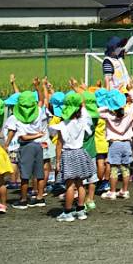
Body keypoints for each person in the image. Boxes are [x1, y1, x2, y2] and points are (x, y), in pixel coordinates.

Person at [53, 92, 96, 222]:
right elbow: (84, 110)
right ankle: (80, 210)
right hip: (80, 152)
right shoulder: (82, 121)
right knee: (80, 183)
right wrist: (81, 100)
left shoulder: (63, 124)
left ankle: (68, 212)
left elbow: (59, 144)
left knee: (70, 185)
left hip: (68, 154)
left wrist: (58, 161)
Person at [7, 89, 48, 208]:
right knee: (39, 173)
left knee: (24, 175)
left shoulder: (17, 117)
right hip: (38, 146)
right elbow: (41, 101)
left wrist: (6, 144)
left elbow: (22, 136)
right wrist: (38, 87)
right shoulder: (38, 111)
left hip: (26, 146)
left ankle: (23, 200)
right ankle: (40, 197)